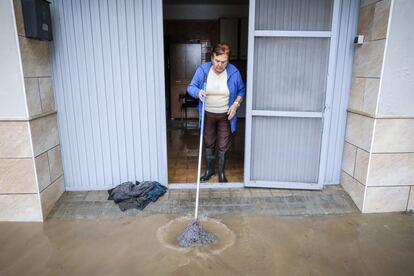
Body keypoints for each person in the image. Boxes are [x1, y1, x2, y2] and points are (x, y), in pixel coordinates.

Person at [187, 43, 245, 183]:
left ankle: (221, 173)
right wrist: (198, 92)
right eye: (217, 61)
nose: (220, 65)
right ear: (212, 58)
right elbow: (191, 87)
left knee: (223, 143)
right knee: (209, 142)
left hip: (226, 115)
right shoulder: (203, 70)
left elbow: (241, 91)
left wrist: (236, 105)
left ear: (228, 61)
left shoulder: (234, 72)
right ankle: (209, 171)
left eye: (223, 62)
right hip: (208, 114)